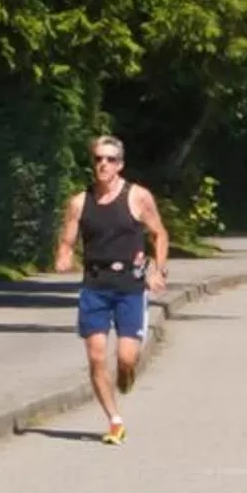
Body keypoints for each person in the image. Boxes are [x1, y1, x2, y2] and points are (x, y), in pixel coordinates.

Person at [53, 135, 169, 446]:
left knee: (127, 358)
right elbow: (67, 240)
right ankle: (114, 420)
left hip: (130, 286)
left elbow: (159, 234)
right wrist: (63, 255)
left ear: (121, 165)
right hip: (95, 287)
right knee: (95, 356)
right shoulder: (80, 202)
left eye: (110, 159)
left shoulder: (138, 197)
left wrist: (158, 270)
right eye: (98, 159)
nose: (103, 164)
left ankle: (126, 374)